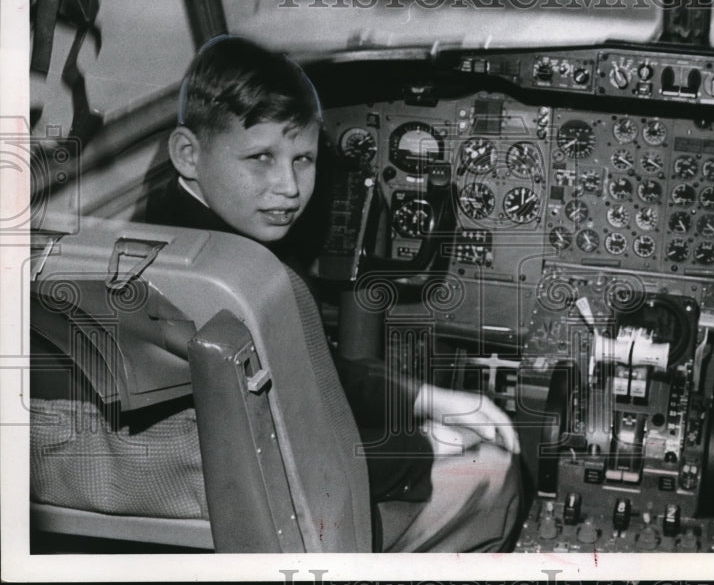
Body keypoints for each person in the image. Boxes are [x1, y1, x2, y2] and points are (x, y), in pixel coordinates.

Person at [146, 35, 521, 552]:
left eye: (303, 158)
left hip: (198, 512)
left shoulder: (160, 235)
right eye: (261, 157)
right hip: (275, 520)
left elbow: (311, 375)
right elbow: (306, 463)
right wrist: (423, 450)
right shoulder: (235, 282)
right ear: (188, 153)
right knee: (491, 466)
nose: (289, 187)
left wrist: (429, 399)